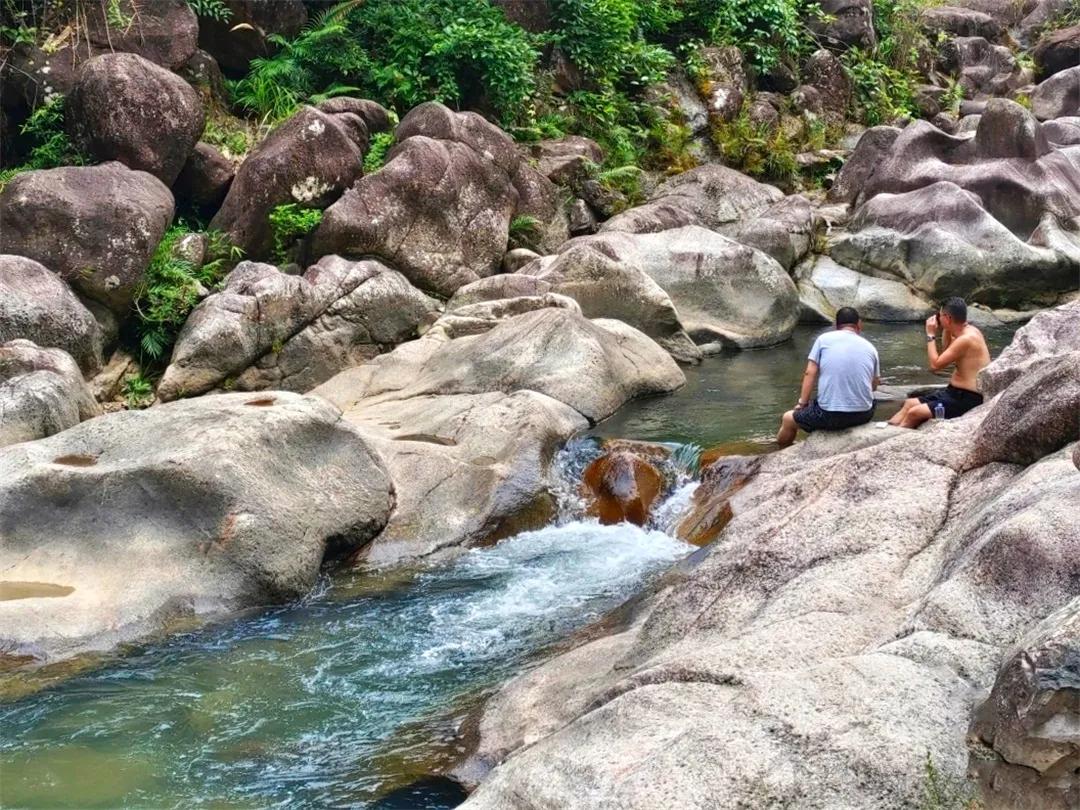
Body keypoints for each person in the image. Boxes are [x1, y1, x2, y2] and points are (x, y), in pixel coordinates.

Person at [777, 307, 880, 448]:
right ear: (859, 325)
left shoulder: (823, 340)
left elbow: (810, 373)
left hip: (829, 415)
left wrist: (802, 404)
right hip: (862, 415)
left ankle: (780, 454)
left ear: (836, 325)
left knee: (788, 419)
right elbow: (874, 385)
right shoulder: (870, 348)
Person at [889, 297, 990, 429]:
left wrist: (930, 335)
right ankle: (887, 430)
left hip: (967, 399)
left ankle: (896, 441)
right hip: (953, 392)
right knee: (909, 403)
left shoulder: (966, 339)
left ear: (947, 318)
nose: (938, 318)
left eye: (940, 315)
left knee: (915, 413)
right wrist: (947, 329)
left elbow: (935, 366)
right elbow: (947, 350)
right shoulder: (965, 330)